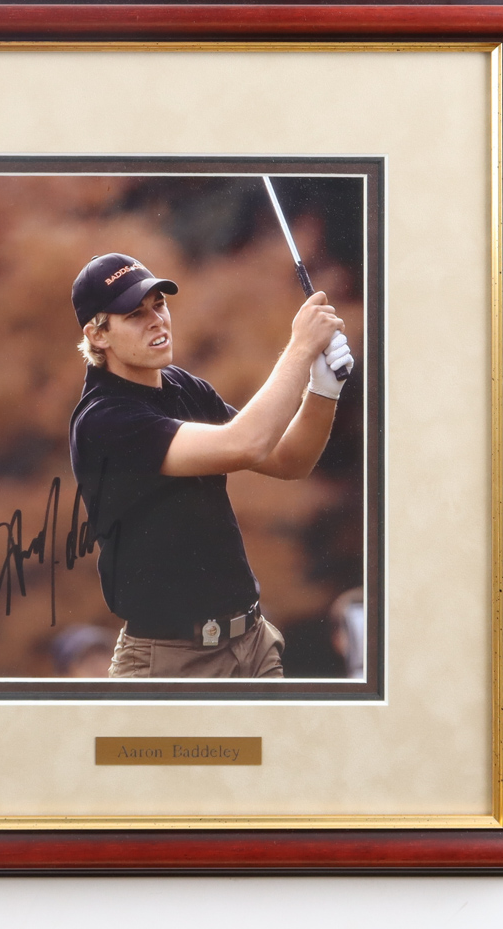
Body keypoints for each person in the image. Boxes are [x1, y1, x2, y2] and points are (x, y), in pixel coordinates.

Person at [68, 252, 353, 679]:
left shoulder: (184, 386)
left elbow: (290, 460)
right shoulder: (103, 419)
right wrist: (300, 347)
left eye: (159, 305)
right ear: (98, 334)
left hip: (254, 645)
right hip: (172, 663)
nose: (157, 321)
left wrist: (323, 390)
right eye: (135, 314)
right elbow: (246, 443)